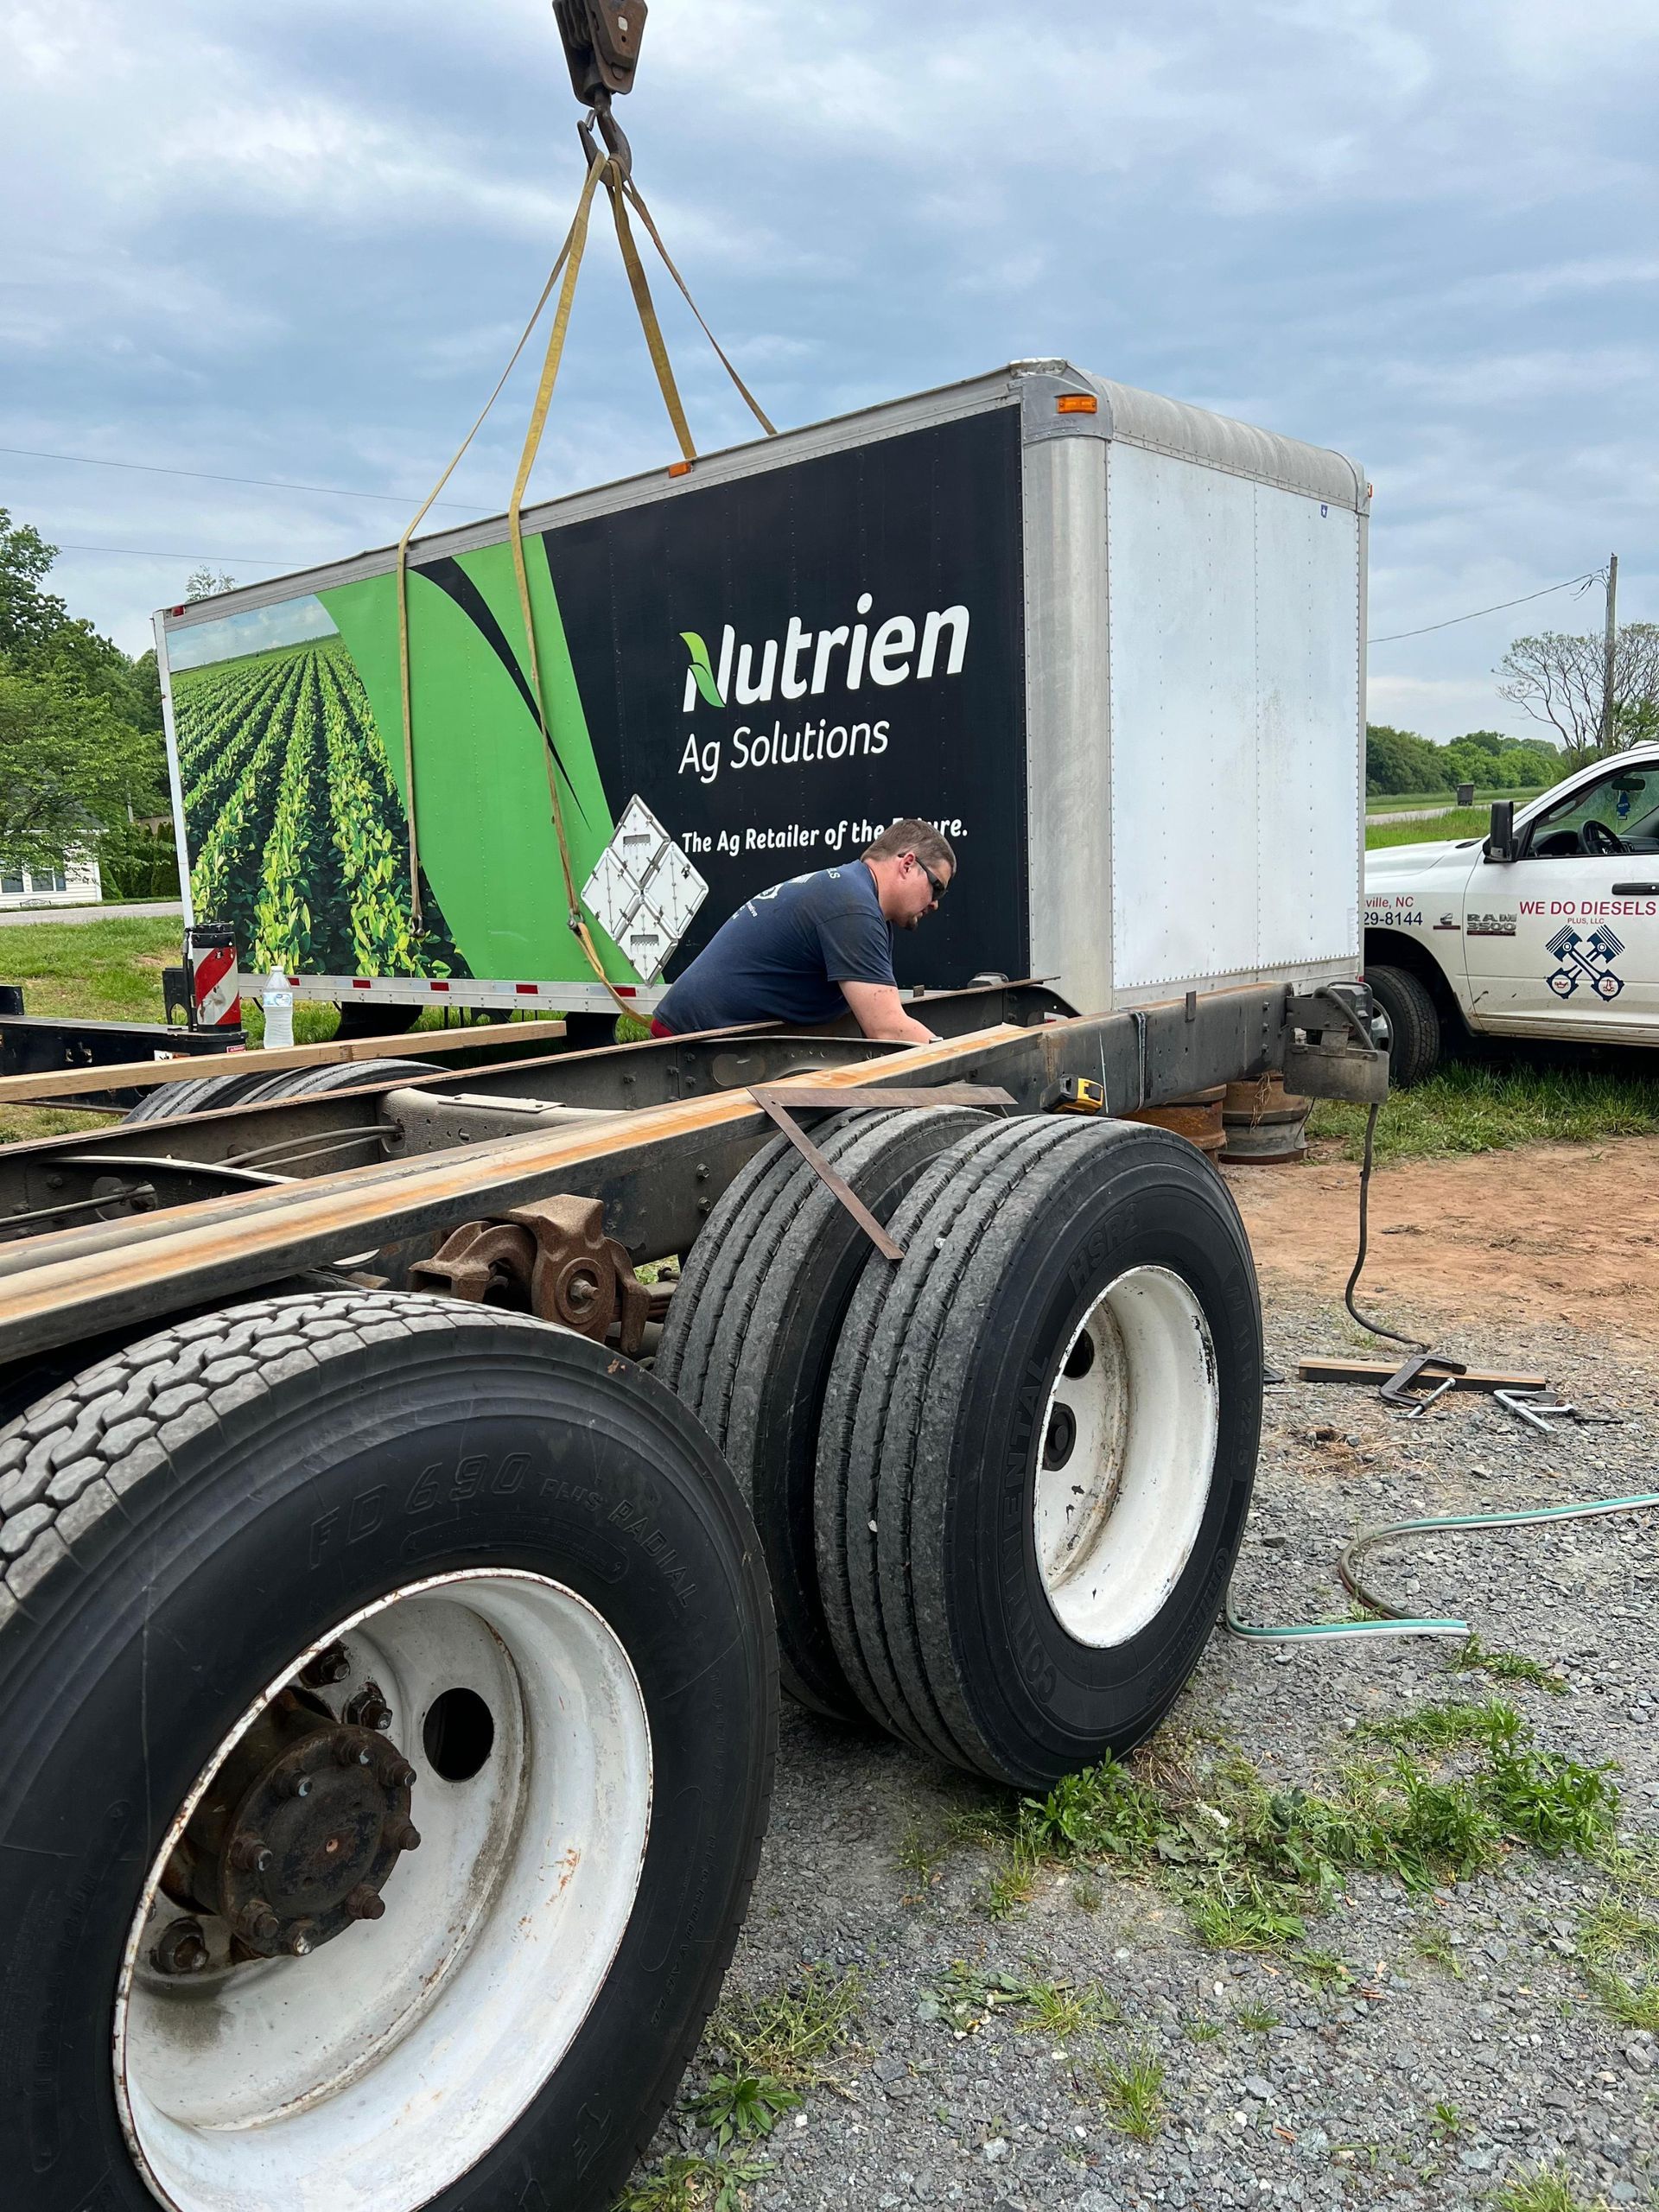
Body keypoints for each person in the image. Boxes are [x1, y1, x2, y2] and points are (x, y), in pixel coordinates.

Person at [650, 819, 955, 1044]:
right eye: (936, 888)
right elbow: (887, 1029)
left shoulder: (855, 894)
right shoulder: (852, 906)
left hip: (713, 1033)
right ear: (907, 864)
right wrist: (953, 1062)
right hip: (690, 1041)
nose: (935, 904)